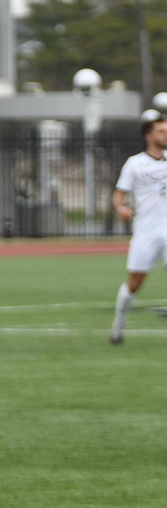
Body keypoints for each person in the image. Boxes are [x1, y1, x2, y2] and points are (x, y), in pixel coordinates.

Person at [110, 114, 167, 344]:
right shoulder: (135, 163)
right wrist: (121, 207)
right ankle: (118, 325)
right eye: (161, 131)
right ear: (149, 136)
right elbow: (119, 194)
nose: (166, 135)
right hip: (146, 232)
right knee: (134, 284)